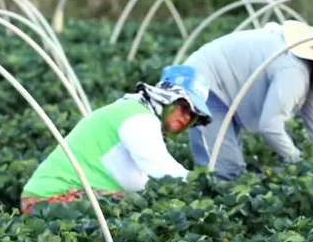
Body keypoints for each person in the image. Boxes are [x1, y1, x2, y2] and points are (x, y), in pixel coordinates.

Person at [183, 17, 313, 180]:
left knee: (231, 169)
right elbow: (269, 126)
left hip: (225, 87)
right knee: (223, 172)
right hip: (203, 83)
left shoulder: (311, 74)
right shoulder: (293, 71)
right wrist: (297, 161)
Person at [20, 64, 212, 214]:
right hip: (48, 200)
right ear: (168, 99)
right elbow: (160, 168)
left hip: (55, 197)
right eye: (184, 107)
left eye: (193, 115)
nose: (187, 117)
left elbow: (137, 180)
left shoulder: (137, 111)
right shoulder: (139, 118)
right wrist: (203, 186)